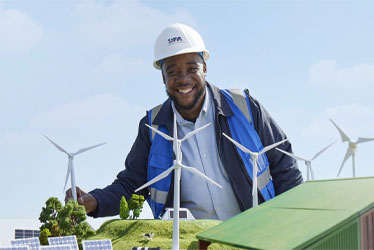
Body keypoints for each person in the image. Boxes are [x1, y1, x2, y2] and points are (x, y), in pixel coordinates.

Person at [65, 23, 303, 221]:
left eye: (192, 69)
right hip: (189, 242)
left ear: (205, 68)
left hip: (253, 235)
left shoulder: (244, 108)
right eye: (173, 72)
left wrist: (285, 226)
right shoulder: (152, 127)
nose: (183, 79)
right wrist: (95, 201)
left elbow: (286, 167)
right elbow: (131, 185)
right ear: (163, 76)